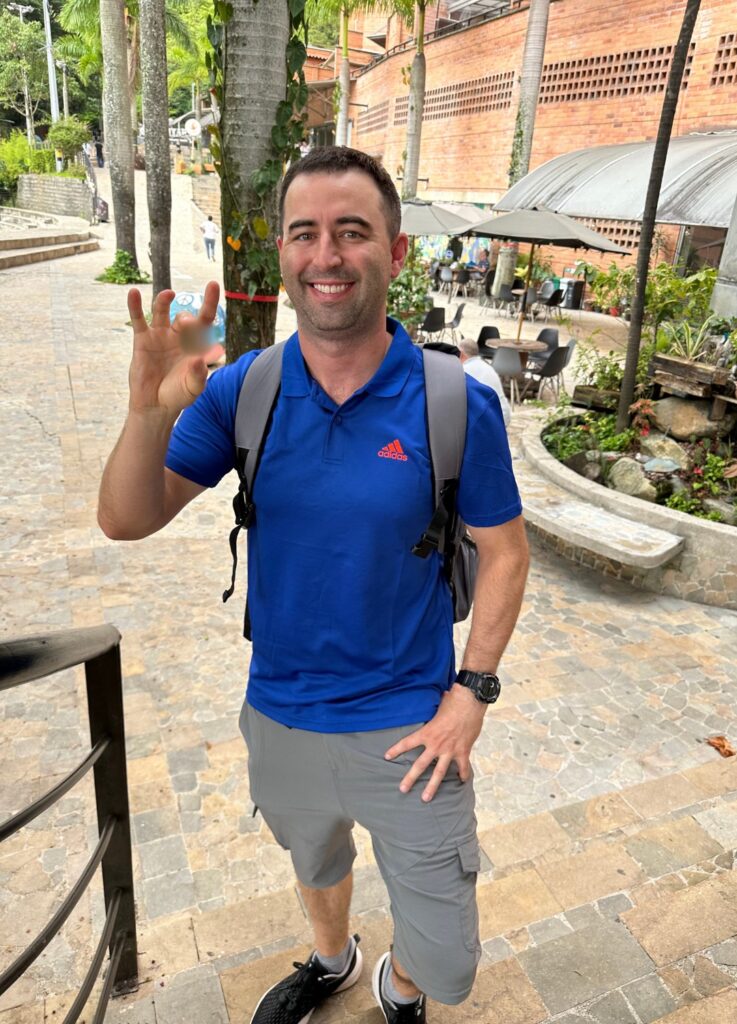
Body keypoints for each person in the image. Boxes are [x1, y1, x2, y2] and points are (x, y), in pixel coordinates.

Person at [97, 147, 529, 1024]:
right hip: (281, 710)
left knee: (448, 961)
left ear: (396, 252)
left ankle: (399, 986)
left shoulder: (452, 400)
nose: (325, 256)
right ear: (284, 252)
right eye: (305, 233)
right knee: (314, 859)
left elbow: (506, 551)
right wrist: (148, 413)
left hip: (411, 725)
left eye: (351, 232)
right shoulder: (243, 391)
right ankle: (333, 959)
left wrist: (472, 692)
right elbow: (127, 518)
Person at [458, 336, 512, 426]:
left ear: (461, 354)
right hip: (503, 414)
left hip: (492, 418)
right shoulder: (486, 366)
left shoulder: (465, 370)